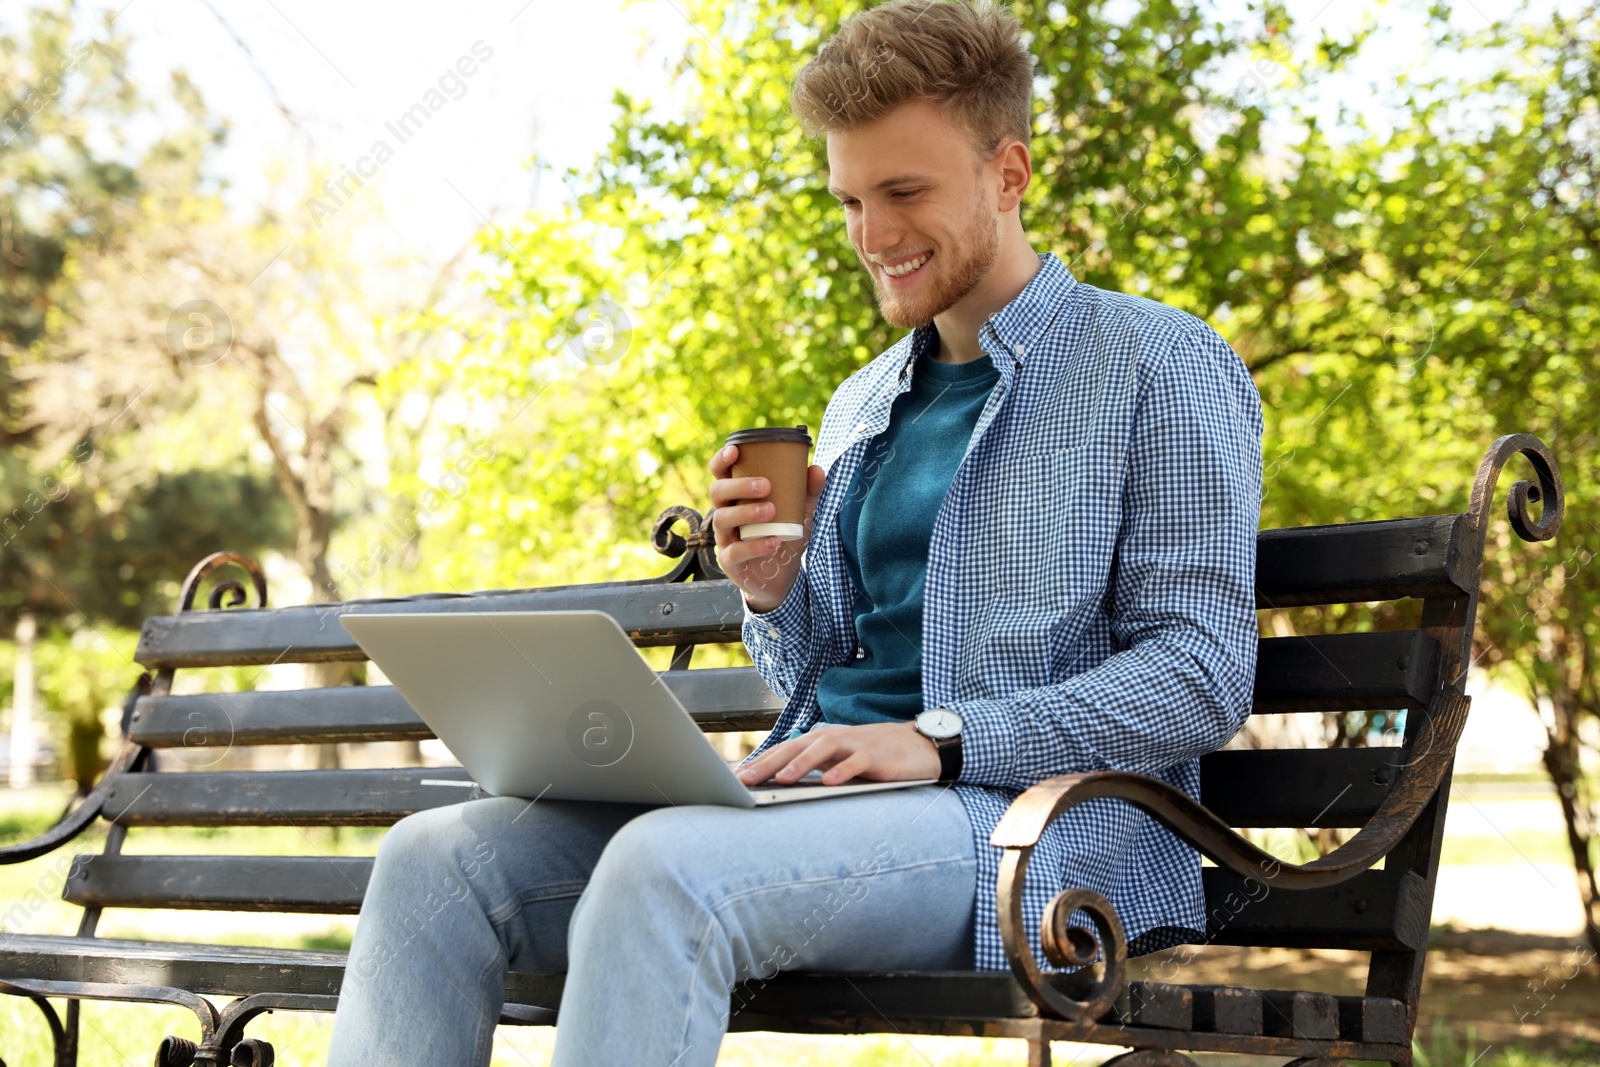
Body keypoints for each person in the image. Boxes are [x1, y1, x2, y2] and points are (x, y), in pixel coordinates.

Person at [325, 1, 1263, 1063]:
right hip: (826, 808)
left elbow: (1201, 670)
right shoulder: (865, 399)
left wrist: (940, 738)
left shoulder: (1157, 364)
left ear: (1009, 174)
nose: (872, 236)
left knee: (663, 868)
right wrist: (776, 591)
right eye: (852, 199)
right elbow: (821, 676)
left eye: (904, 192)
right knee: (430, 859)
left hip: (1023, 833)